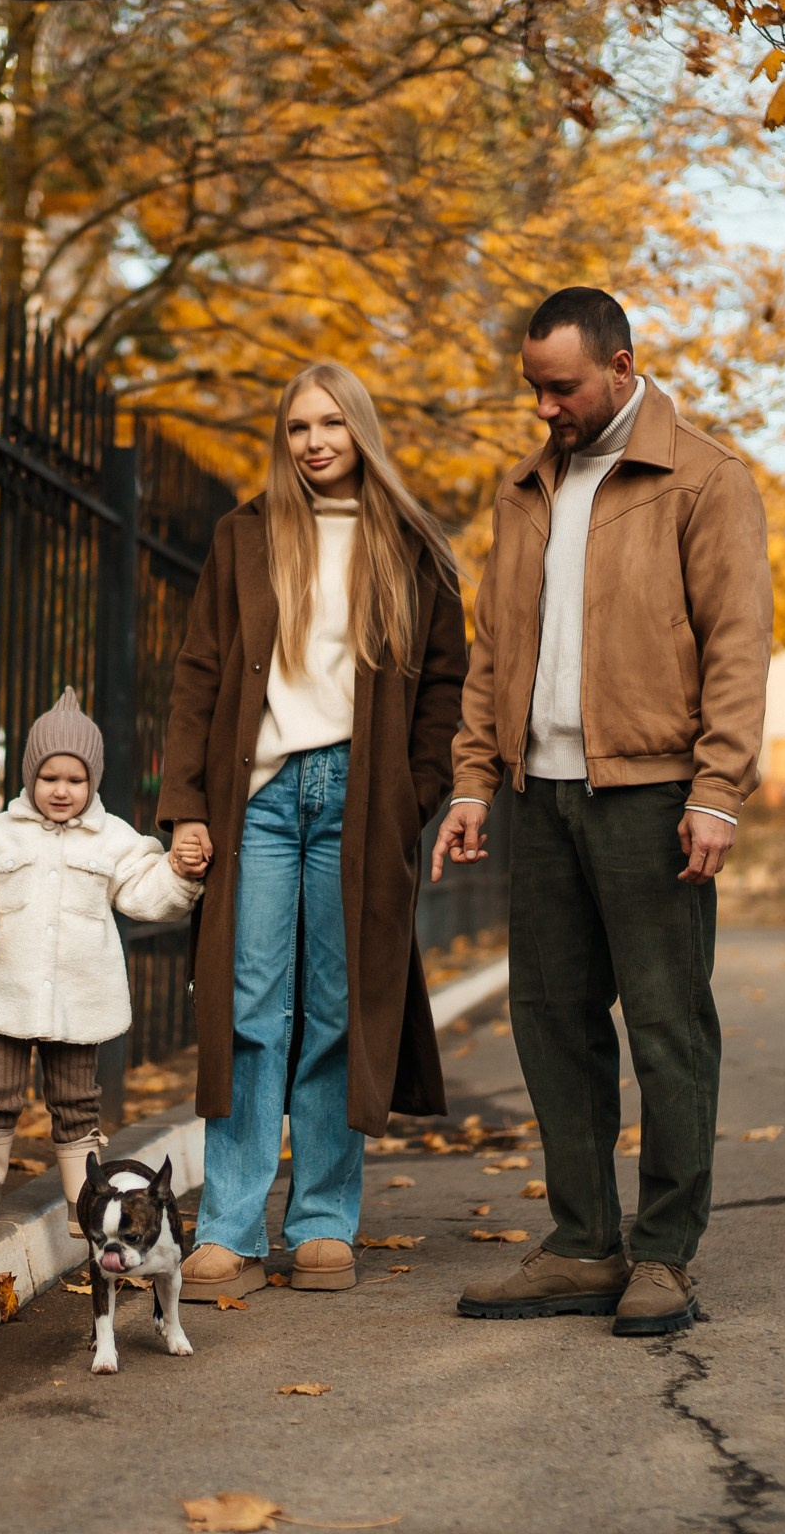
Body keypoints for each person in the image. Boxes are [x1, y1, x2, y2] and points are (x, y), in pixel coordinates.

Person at [434, 287, 771, 1337]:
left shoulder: (704, 477)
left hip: (656, 792)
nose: (546, 406)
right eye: (535, 386)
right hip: (543, 797)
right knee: (550, 1023)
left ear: (623, 368)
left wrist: (718, 788)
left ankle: (665, 1254)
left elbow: (738, 642)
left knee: (669, 1028)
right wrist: (474, 778)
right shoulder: (527, 489)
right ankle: (582, 1243)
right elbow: (495, 649)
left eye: (564, 385)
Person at [158, 361, 468, 1301]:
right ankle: (230, 1228)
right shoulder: (245, 535)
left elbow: (450, 686)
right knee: (250, 1006)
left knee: (340, 1010)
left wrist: (413, 796)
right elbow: (200, 672)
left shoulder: (411, 545)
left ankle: (325, 1221)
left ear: (360, 430)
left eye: (332, 423)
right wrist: (186, 805)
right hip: (261, 799)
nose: (315, 442)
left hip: (361, 802)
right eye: (298, 427)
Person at [0, 687, 204, 1227]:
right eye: (49, 778)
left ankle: (84, 1188)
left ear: (92, 781)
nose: (61, 790)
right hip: (6, 988)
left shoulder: (114, 840)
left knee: (77, 1096)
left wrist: (179, 874)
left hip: (80, 995)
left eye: (75, 780)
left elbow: (145, 893)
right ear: (31, 775)